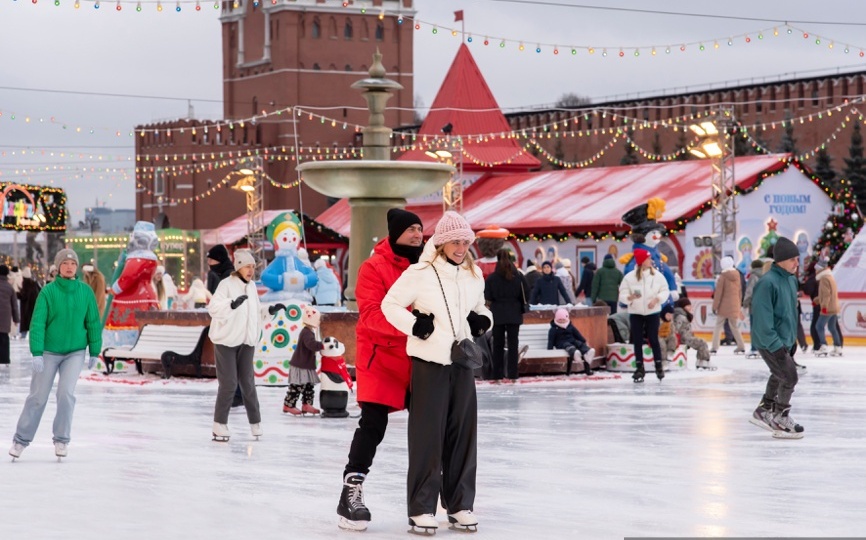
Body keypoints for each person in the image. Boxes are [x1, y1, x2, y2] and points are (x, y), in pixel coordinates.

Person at [381, 211, 491, 534]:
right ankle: (421, 507)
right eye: (455, 241)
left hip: (462, 364)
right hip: (429, 363)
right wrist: (416, 325)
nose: (461, 247)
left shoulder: (474, 275)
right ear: (441, 243)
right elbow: (389, 305)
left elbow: (481, 308)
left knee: (463, 436)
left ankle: (459, 505)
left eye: (465, 242)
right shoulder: (421, 273)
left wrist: (483, 321)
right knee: (427, 436)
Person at [336, 208, 425, 532]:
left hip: (419, 358)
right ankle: (351, 491)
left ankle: (428, 495)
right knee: (373, 424)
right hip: (381, 358)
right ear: (395, 233)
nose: (417, 234)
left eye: (420, 228)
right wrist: (414, 325)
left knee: (432, 426)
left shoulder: (427, 266)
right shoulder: (373, 267)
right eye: (411, 229)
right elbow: (372, 313)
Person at [9, 249, 102, 460]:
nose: (69, 266)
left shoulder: (85, 292)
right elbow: (38, 323)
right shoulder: (48, 292)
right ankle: (20, 440)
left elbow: (93, 323)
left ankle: (61, 439)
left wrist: (94, 351)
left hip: (75, 352)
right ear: (58, 267)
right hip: (49, 352)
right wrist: (37, 353)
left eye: (72, 263)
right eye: (65, 263)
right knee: (38, 397)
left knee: (66, 394)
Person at [749, 236, 804, 438]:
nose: (797, 263)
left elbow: (790, 313)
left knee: (778, 374)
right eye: (793, 259)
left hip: (783, 341)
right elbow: (763, 320)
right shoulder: (767, 283)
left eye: (797, 259)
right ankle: (780, 417)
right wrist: (776, 345)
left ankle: (764, 410)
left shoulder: (790, 280)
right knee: (790, 376)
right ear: (780, 260)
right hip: (769, 341)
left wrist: (791, 341)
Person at [206, 249, 262, 442]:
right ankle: (219, 424)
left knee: (248, 383)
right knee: (229, 383)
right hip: (226, 341)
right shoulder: (226, 284)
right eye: (247, 266)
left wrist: (269, 310)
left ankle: (255, 423)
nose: (251, 270)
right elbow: (213, 308)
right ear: (238, 267)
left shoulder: (252, 286)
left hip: (247, 340)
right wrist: (231, 304)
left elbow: (255, 311)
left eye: (253, 267)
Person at [618, 248, 670, 383]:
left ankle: (659, 366)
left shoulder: (658, 276)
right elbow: (622, 294)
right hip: (636, 313)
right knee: (637, 340)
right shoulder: (629, 277)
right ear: (641, 261)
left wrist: (657, 299)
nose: (651, 260)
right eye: (648, 258)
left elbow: (665, 290)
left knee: (653, 338)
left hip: (653, 313)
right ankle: (639, 368)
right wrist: (629, 297)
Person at [484, 249, 529, 381]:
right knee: (513, 345)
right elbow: (526, 293)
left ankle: (497, 375)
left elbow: (487, 296)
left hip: (497, 313)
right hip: (514, 313)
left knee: (497, 345)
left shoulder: (492, 278)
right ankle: (513, 374)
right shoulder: (518, 276)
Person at [711, 256, 746, 354]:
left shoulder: (723, 276)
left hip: (723, 306)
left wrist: (715, 307)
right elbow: (739, 291)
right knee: (734, 326)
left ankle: (714, 347)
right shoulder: (737, 275)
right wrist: (739, 305)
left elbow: (719, 293)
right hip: (734, 304)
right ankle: (741, 346)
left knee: (718, 326)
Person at [547, 308, 595, 375]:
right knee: (568, 346)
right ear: (556, 319)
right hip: (561, 344)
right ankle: (575, 354)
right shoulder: (554, 329)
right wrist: (550, 348)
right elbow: (551, 339)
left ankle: (588, 352)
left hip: (572, 341)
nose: (562, 322)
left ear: (566, 318)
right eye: (560, 320)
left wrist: (583, 340)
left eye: (563, 320)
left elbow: (577, 334)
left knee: (578, 343)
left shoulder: (570, 326)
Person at [672, 298, 713, 370]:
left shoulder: (684, 315)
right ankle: (704, 361)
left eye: (690, 305)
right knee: (702, 343)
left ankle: (701, 361)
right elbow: (676, 329)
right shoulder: (680, 316)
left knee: (701, 342)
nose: (690, 307)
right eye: (687, 306)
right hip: (684, 338)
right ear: (682, 306)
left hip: (686, 337)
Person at [814, 259, 842, 356]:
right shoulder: (830, 276)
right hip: (834, 306)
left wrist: (824, 306)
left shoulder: (824, 279)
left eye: (816, 269)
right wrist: (817, 300)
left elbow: (826, 295)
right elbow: (828, 293)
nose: (815, 271)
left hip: (829, 307)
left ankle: (824, 346)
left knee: (819, 326)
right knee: (832, 327)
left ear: (820, 269)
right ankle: (838, 347)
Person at [742, 259, 765, 358]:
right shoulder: (766, 275)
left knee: (754, 328)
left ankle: (755, 348)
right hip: (765, 305)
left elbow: (750, 291)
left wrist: (745, 303)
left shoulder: (753, 276)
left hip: (755, 305)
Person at [0, 265, 19, 364]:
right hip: (5, 317)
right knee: (4, 338)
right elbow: (14, 305)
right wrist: (16, 319)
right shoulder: (9, 287)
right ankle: (5, 359)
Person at [17, 267, 41, 340]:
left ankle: (23, 336)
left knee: (25, 322)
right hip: (35, 306)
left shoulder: (25, 284)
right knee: (34, 323)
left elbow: (23, 296)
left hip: (26, 308)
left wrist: (16, 293)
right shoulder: (35, 283)